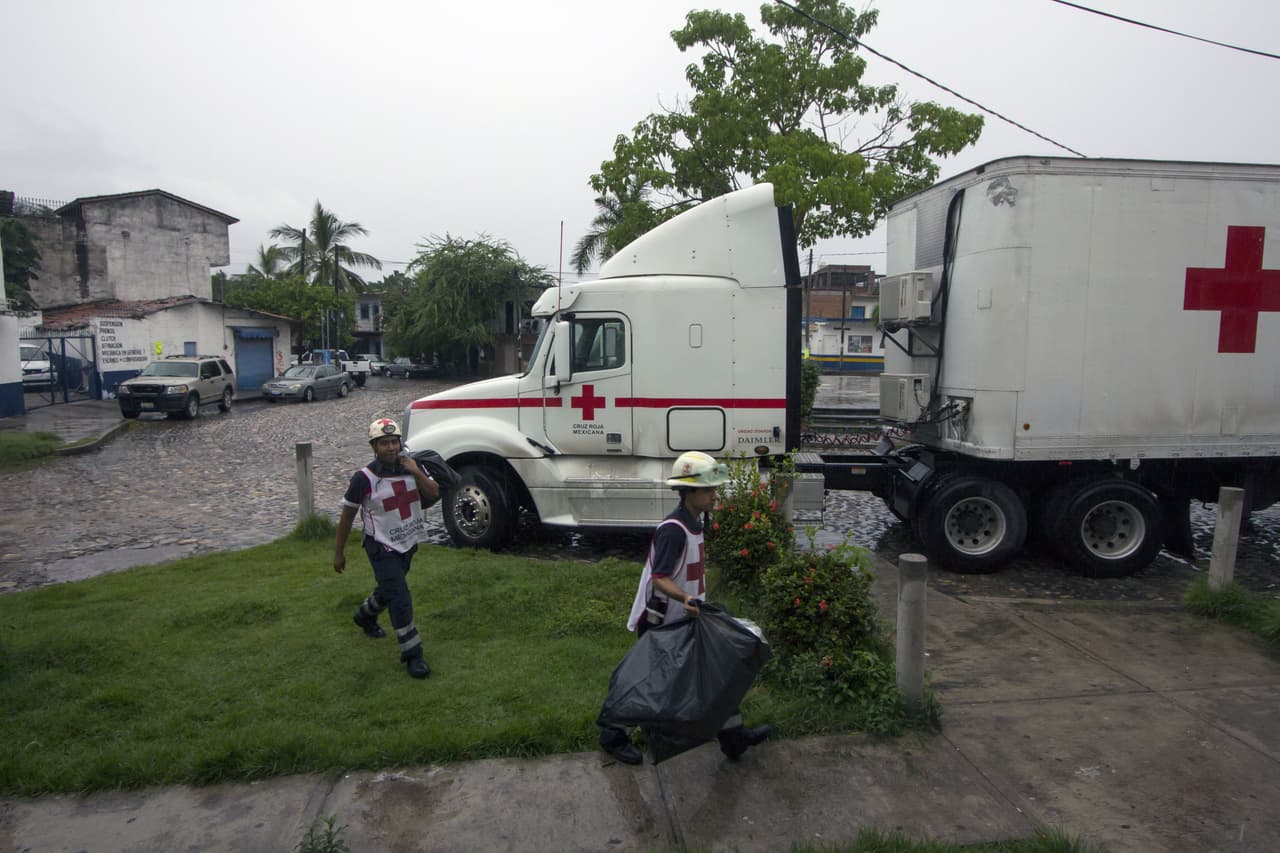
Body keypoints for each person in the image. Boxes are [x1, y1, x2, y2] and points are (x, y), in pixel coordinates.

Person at [598, 450, 772, 765]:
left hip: (688, 616)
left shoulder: (695, 522)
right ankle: (612, 734)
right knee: (649, 682)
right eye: (707, 490)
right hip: (662, 618)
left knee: (714, 673)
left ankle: (734, 739)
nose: (713, 495)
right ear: (688, 492)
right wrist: (686, 599)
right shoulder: (673, 530)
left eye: (714, 489)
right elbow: (660, 578)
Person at [334, 417, 439, 679]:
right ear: (374, 446)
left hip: (408, 541)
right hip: (381, 546)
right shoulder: (364, 478)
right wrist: (339, 552)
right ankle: (413, 654)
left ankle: (364, 616)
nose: (391, 448)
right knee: (400, 597)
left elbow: (434, 492)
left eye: (394, 442)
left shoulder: (412, 467)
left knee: (390, 589)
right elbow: (347, 515)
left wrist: (416, 471)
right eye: (384, 443)